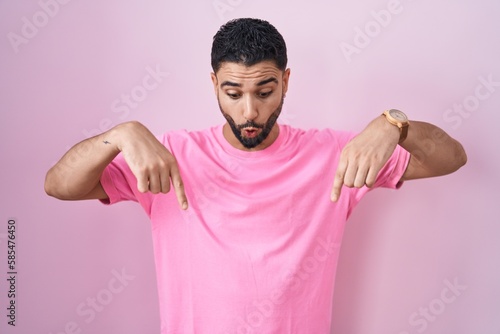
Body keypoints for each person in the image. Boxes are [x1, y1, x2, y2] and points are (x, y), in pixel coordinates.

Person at [45, 18, 466, 334]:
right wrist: (119, 134)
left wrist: (394, 125)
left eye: (265, 92)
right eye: (233, 93)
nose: (249, 111)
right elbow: (59, 185)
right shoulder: (168, 156)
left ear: (285, 81)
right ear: (214, 84)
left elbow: (451, 158)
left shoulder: (337, 155)